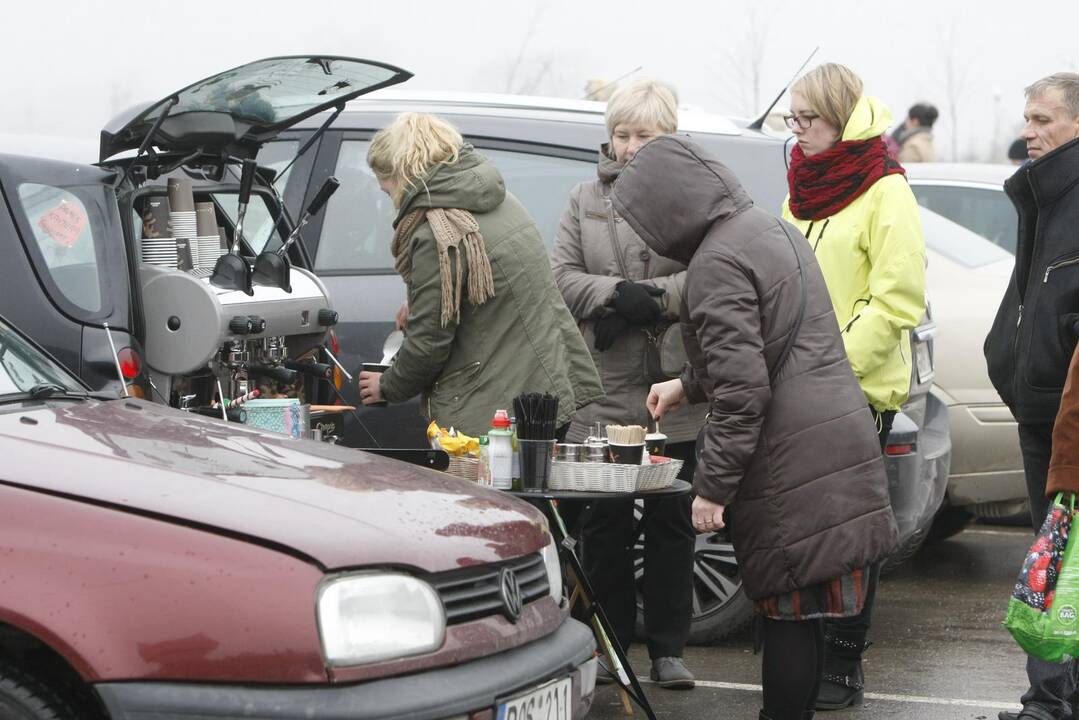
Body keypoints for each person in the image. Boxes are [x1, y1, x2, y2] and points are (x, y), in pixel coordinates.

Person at [615, 134, 897, 720]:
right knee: (809, 607)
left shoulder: (714, 262)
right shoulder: (768, 229)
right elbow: (762, 343)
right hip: (831, 437)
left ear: (667, 208)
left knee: (787, 609)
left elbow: (744, 392)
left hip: (788, 458)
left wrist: (712, 487)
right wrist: (687, 384)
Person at [781, 63, 927, 710]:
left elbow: (895, 300)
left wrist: (827, 368)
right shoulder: (797, 188)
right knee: (803, 530)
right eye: (791, 119)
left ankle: (843, 657)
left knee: (849, 532)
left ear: (840, 119)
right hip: (795, 388)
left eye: (807, 119)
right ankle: (801, 650)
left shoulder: (883, 188)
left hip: (855, 391)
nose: (796, 131)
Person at [550, 78, 700, 689]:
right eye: (623, 134)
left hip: (675, 388)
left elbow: (711, 275)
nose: (632, 146)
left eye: (645, 134)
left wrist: (653, 299)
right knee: (605, 525)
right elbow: (559, 275)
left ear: (668, 135)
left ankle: (669, 650)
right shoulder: (584, 196)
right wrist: (615, 294)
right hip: (602, 386)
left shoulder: (692, 199)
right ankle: (610, 647)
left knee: (672, 520)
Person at [357, 112, 604, 437]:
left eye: (388, 190)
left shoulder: (439, 231)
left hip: (495, 414)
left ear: (404, 175)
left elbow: (429, 345)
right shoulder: (494, 200)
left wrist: (387, 385)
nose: (391, 201)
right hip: (542, 395)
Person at [984, 72, 1079, 720]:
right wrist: (1008, 360)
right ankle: (1047, 702)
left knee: (1061, 564)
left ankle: (1047, 704)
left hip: (1069, 417)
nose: (1029, 131)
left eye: (1043, 119)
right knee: (1050, 562)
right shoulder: (1042, 194)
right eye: (1026, 117)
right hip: (1039, 411)